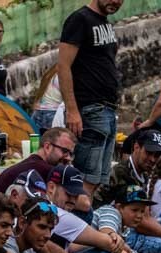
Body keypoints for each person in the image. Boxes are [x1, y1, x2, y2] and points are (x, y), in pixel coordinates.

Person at [58, 0, 123, 197]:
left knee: (98, 179)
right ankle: (74, 224)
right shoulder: (79, 19)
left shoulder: (104, 22)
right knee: (84, 181)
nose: (116, 2)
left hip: (108, 109)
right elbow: (63, 66)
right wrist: (72, 109)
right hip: (90, 108)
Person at [0, 127, 76, 192]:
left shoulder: (28, 164)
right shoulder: (47, 171)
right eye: (65, 151)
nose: (68, 158)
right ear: (47, 147)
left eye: (71, 154)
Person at [30, 65, 64, 133]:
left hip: (38, 112)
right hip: (52, 113)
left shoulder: (52, 71)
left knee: (36, 141)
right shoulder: (63, 74)